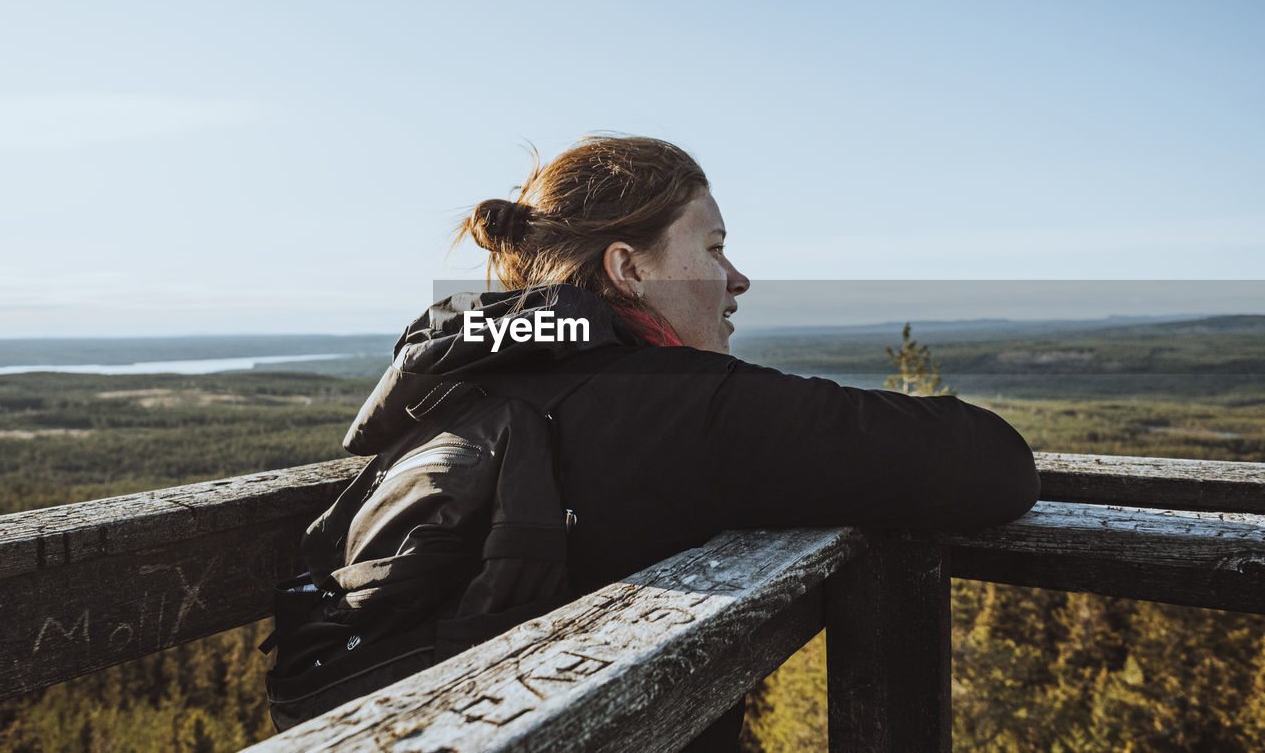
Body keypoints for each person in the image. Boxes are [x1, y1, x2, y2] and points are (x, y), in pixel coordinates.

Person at [337, 135, 1040, 749]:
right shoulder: (679, 403)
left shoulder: (465, 383)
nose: (737, 278)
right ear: (630, 269)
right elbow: (993, 465)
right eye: (714, 248)